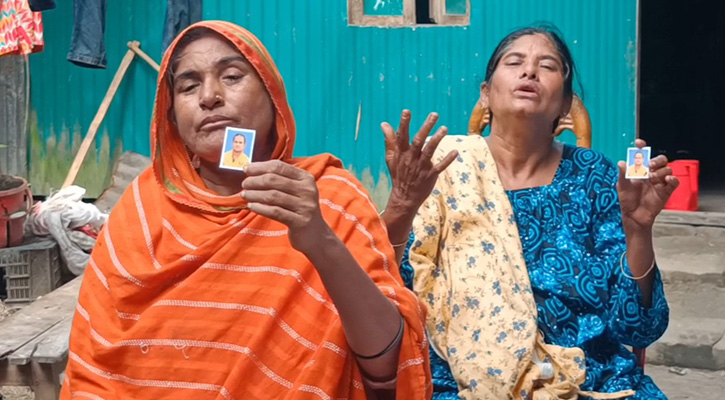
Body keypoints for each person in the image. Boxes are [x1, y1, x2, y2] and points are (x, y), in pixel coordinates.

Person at [60, 21, 431, 400]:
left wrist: (320, 241)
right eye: (188, 86)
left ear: (273, 98)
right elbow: (96, 367)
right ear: (170, 117)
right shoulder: (141, 209)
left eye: (232, 76)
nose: (209, 97)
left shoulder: (330, 197)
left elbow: (386, 369)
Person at [380, 26, 679, 399]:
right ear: (485, 94)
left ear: (567, 105)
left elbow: (638, 329)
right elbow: (390, 294)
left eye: (547, 65)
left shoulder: (594, 176)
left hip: (589, 379)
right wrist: (402, 205)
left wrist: (638, 230)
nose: (529, 72)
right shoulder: (443, 170)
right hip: (460, 379)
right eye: (514, 62)